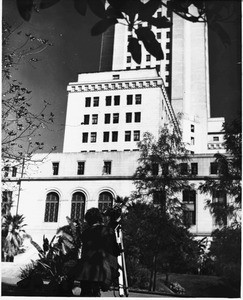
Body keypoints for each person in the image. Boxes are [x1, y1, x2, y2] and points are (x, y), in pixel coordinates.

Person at [76, 207, 120, 297]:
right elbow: (114, 250)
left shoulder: (85, 232)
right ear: (99, 218)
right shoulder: (107, 231)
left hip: (85, 271)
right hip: (100, 269)